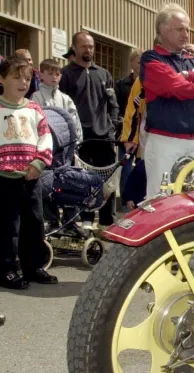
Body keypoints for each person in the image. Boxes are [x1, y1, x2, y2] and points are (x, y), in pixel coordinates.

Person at [140, 3, 194, 197]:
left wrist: (192, 76)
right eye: (180, 29)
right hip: (166, 142)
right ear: (162, 29)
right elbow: (175, 88)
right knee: (160, 201)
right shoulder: (151, 59)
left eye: (187, 29)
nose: (186, 34)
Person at [0, 56, 58, 289]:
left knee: (34, 223)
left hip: (31, 176)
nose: (23, 82)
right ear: (1, 79)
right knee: (7, 227)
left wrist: (38, 163)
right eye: (16, 77)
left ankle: (33, 267)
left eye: (26, 78)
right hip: (4, 179)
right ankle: (6, 269)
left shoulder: (34, 109)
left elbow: (45, 138)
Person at [60, 31, 120, 230]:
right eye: (84, 46)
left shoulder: (104, 74)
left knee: (108, 182)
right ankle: (86, 219)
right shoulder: (66, 75)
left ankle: (107, 223)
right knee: (82, 181)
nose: (88, 50)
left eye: (91, 46)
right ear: (75, 48)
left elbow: (113, 104)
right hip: (81, 140)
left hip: (104, 138)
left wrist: (112, 127)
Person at [31, 58, 83, 142]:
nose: (54, 77)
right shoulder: (36, 97)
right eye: (50, 74)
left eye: (57, 74)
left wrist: (76, 141)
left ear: (61, 77)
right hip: (44, 142)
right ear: (41, 75)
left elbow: (74, 121)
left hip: (65, 142)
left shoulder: (66, 99)